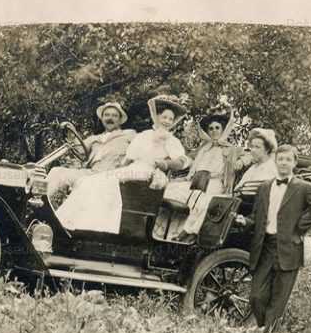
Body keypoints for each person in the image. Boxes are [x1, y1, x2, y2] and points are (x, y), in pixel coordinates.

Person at [55, 95, 190, 233]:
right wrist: (119, 167)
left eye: (170, 119)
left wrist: (165, 164)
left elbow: (181, 161)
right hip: (133, 168)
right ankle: (77, 223)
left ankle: (97, 226)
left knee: (103, 181)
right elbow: (129, 157)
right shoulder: (144, 135)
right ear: (157, 117)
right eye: (164, 117)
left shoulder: (172, 141)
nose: (167, 121)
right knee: (90, 181)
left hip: (149, 171)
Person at [235, 144, 311, 332]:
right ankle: (265, 328)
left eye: (288, 159)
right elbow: (256, 217)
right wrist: (244, 221)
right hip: (265, 247)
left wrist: (299, 226)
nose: (284, 163)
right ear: (275, 161)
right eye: (280, 159)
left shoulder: (304, 187)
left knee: (279, 298)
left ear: (294, 163)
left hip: (289, 248)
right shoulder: (264, 187)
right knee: (256, 296)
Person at [162, 107, 249, 242]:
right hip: (196, 181)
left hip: (215, 182)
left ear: (223, 129)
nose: (214, 131)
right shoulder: (203, 148)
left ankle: (189, 232)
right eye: (211, 128)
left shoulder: (231, 148)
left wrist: (241, 162)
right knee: (169, 189)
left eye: (217, 128)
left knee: (204, 202)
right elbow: (187, 159)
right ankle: (165, 231)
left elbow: (249, 155)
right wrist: (171, 162)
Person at [46, 102, 136, 203]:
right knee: (56, 171)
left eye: (114, 115)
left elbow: (140, 150)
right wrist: (71, 135)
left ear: (120, 120)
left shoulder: (129, 135)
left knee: (86, 183)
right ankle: (43, 202)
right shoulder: (94, 139)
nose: (110, 118)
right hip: (92, 173)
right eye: (106, 115)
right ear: (101, 119)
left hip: (111, 176)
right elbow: (79, 151)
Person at [233, 128, 278, 192]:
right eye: (252, 146)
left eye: (257, 147)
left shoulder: (272, 168)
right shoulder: (253, 168)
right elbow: (238, 189)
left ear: (267, 149)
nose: (253, 150)